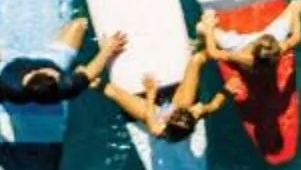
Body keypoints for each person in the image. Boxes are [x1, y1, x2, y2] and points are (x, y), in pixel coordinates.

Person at [86, 32, 228, 145]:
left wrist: (151, 92)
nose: (170, 113)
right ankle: (216, 50)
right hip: (179, 106)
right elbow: (214, 106)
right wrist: (227, 90)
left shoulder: (158, 129)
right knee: (196, 60)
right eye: (175, 113)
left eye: (171, 117)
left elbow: (149, 115)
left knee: (112, 92)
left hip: (155, 114)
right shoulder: (193, 112)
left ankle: (96, 84)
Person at [0, 11, 98, 105]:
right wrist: (109, 49)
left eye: (55, 75)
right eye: (57, 75)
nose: (57, 74)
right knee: (80, 24)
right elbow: (90, 72)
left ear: (34, 72)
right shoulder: (66, 88)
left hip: (4, 60)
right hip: (54, 58)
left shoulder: (10, 87)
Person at [195, 0, 301, 68]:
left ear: (253, 46)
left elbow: (214, 53)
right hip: (268, 45)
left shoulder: (245, 57)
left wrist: (209, 27)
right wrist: (295, 13)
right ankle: (290, 20)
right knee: (298, 4)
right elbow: (296, 37)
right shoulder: (278, 48)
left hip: (240, 45)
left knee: (201, 27)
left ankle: (201, 38)